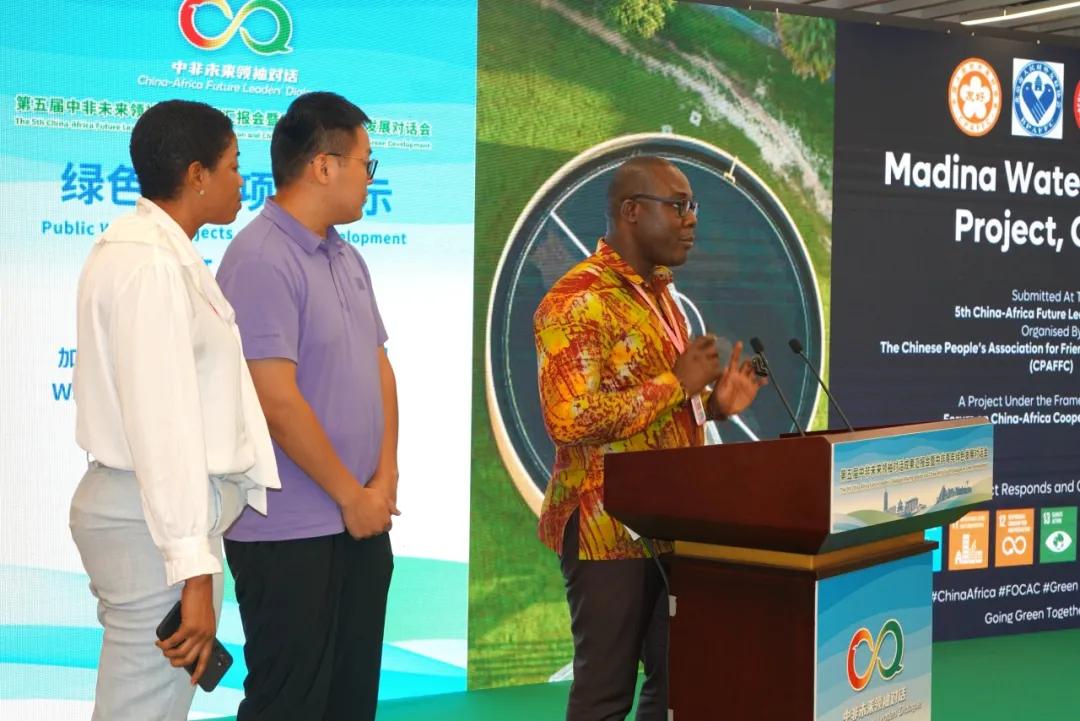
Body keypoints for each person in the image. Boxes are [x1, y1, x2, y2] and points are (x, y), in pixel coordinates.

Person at [533, 156, 767, 721]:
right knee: (605, 693)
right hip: (604, 528)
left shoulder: (660, 295)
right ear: (632, 211)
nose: (692, 219)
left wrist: (711, 406)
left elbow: (658, 414)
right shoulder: (577, 299)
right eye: (679, 205)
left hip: (669, 523)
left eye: (693, 206)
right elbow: (568, 418)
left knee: (679, 678)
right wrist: (677, 383)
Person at [70, 99, 281, 721]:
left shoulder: (147, 253)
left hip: (147, 518)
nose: (242, 180)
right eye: (233, 165)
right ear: (197, 175)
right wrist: (193, 571)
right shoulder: (152, 266)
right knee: (143, 709)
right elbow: (164, 428)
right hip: (153, 526)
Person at [216, 91, 399, 721]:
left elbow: (380, 368)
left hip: (361, 522)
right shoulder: (260, 258)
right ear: (324, 166)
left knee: (351, 701)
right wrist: (351, 494)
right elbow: (275, 401)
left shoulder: (347, 256)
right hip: (290, 533)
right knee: (290, 704)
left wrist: (384, 478)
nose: (370, 179)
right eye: (366, 164)